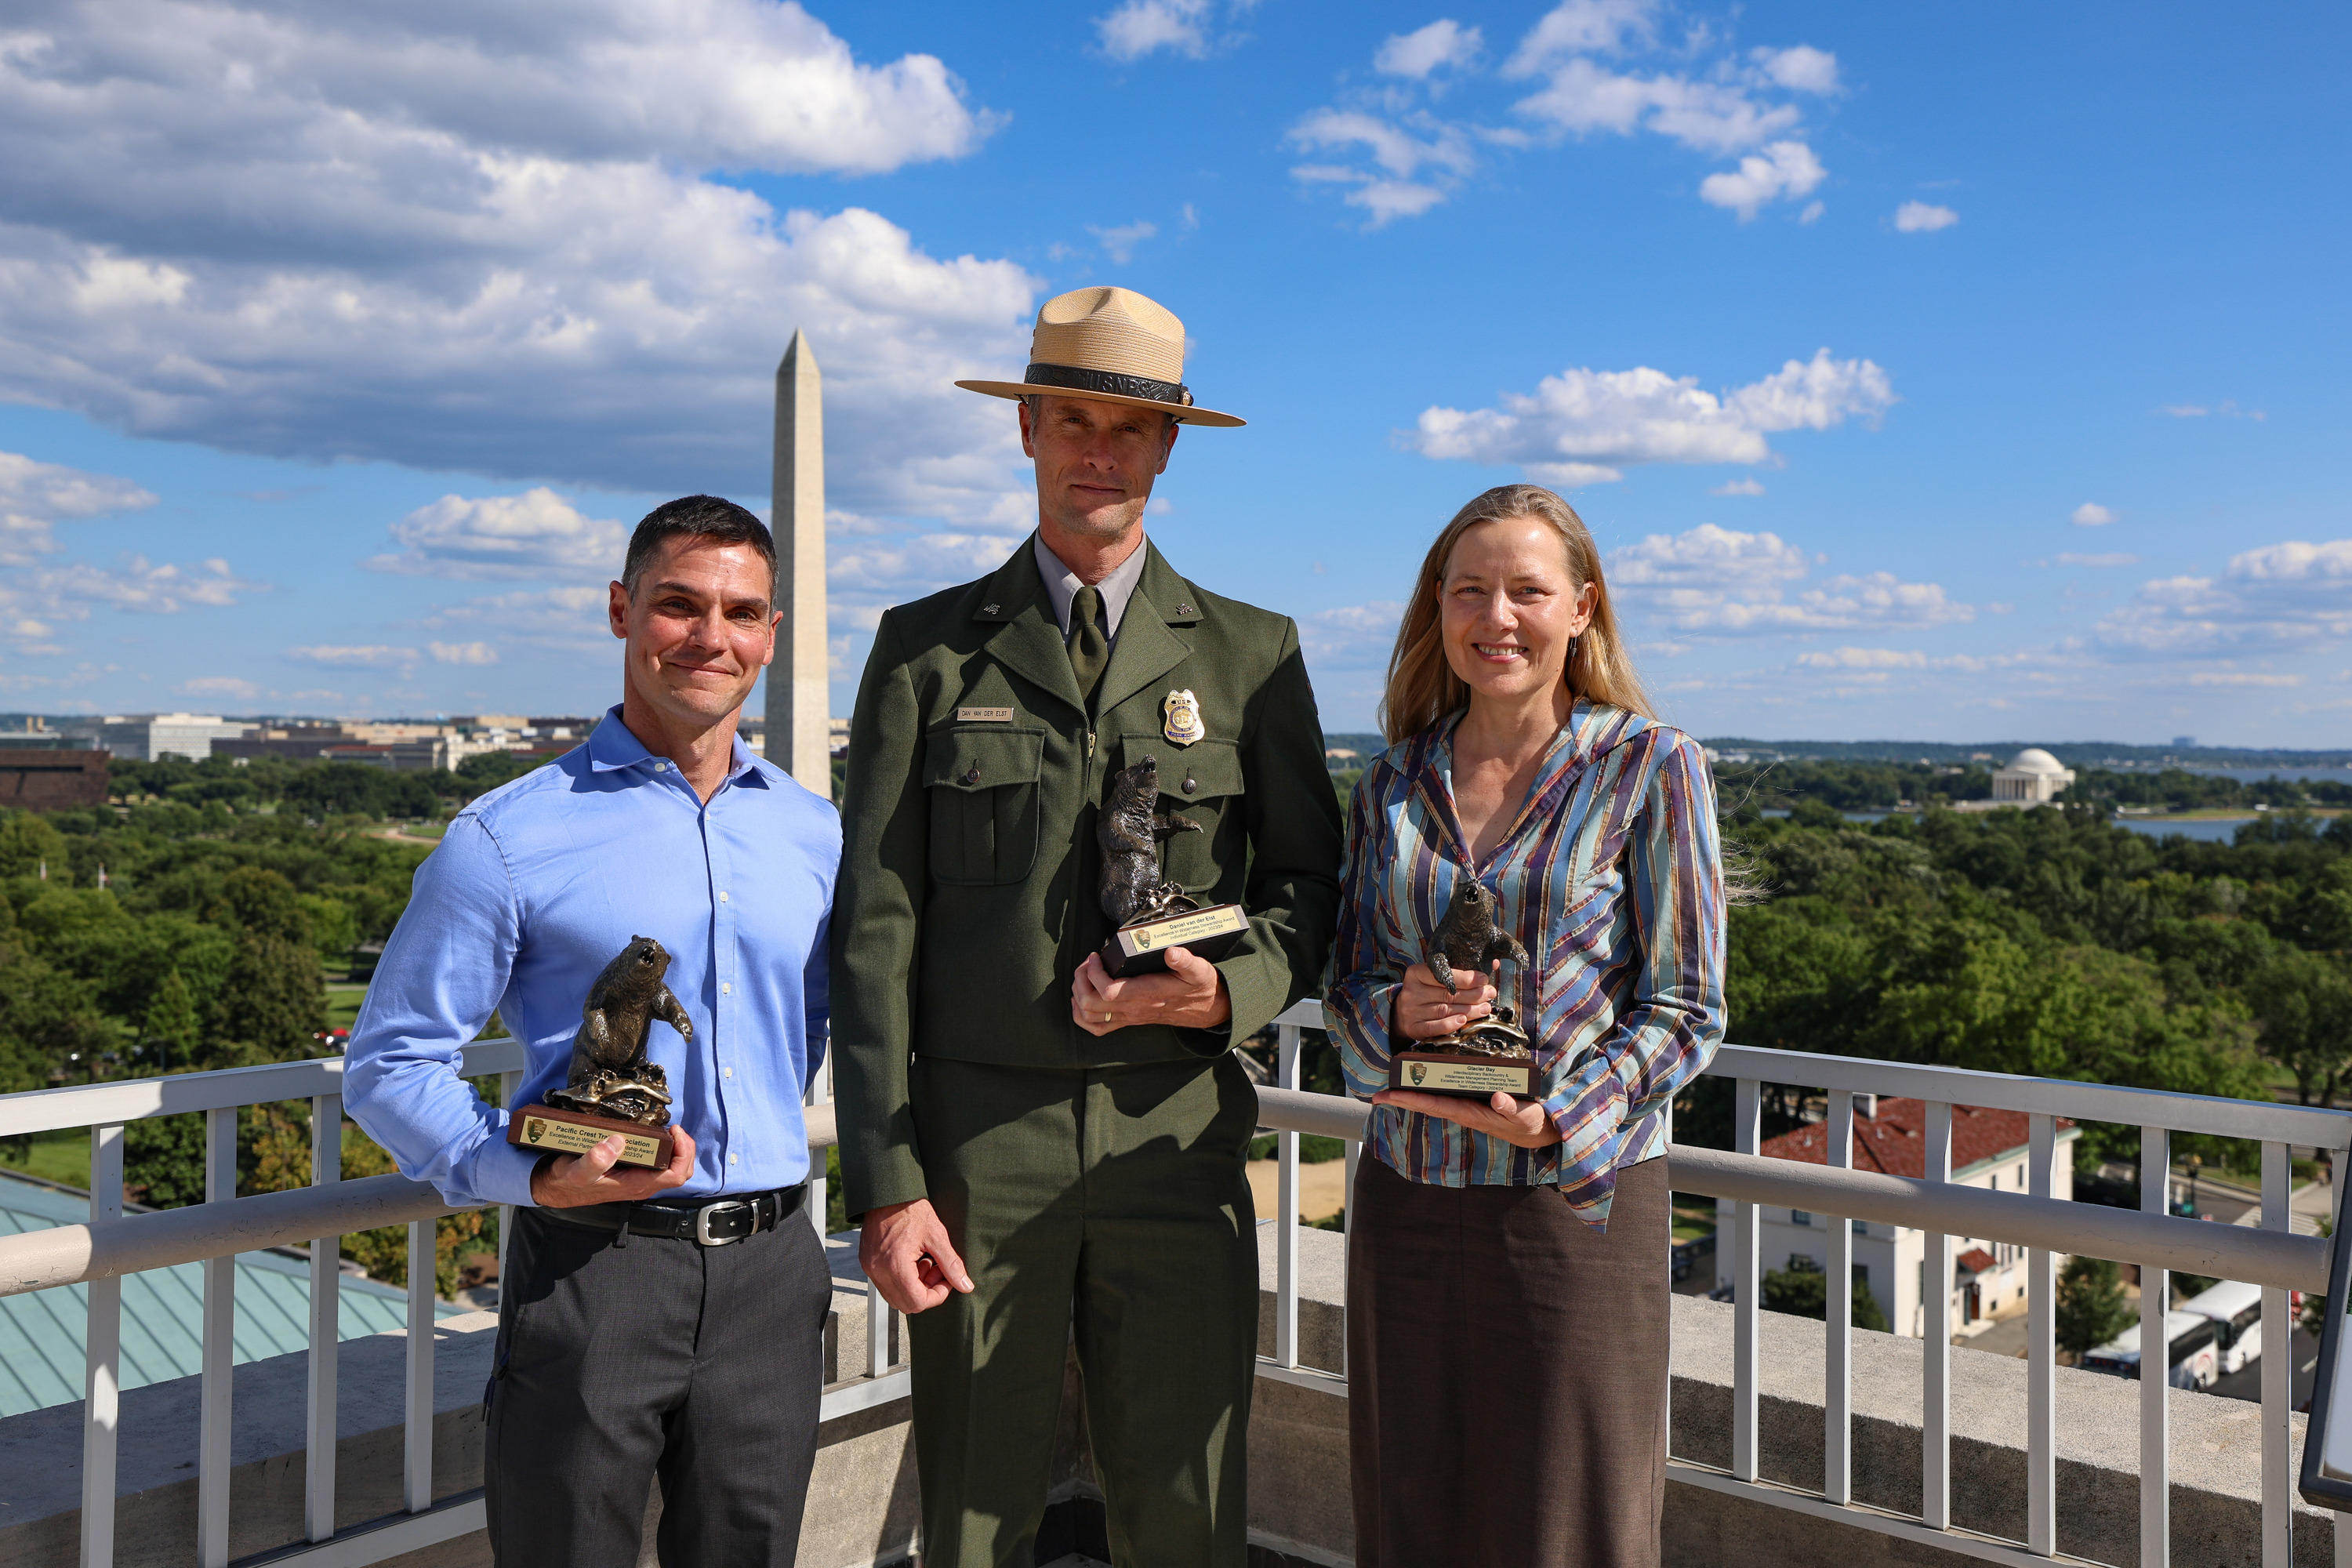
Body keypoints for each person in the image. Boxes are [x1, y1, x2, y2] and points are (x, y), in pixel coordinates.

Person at [832, 285, 1344, 1567]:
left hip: (1171, 1140)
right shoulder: (926, 652)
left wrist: (1228, 996)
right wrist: (887, 1185)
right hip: (976, 1151)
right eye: (1072, 420)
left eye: (1128, 427)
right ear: (1027, 435)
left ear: (1168, 448)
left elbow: (1309, 889)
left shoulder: (1250, 654)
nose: (1097, 452)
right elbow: (874, 933)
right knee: (973, 1508)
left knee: (1185, 1507)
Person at [344, 496, 840, 1567]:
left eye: (742, 612)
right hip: (594, 1269)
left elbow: (844, 1025)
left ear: (772, 634)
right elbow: (392, 1061)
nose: (712, 636)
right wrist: (519, 1171)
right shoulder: (507, 837)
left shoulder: (814, 832)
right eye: (678, 604)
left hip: (773, 1273)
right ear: (621, 611)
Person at [1325, 483, 1726, 1568]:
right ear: (1438, 611)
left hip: (1576, 1209)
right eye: (1470, 591)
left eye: (1527, 591)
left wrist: (1561, 1119)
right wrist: (1396, 1012)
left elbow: (1688, 1009)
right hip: (1409, 1193)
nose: (1496, 617)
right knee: (1408, 1515)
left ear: (1583, 607)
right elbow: (1347, 982)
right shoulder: (1392, 784)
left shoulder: (1650, 767)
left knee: (1569, 1528)